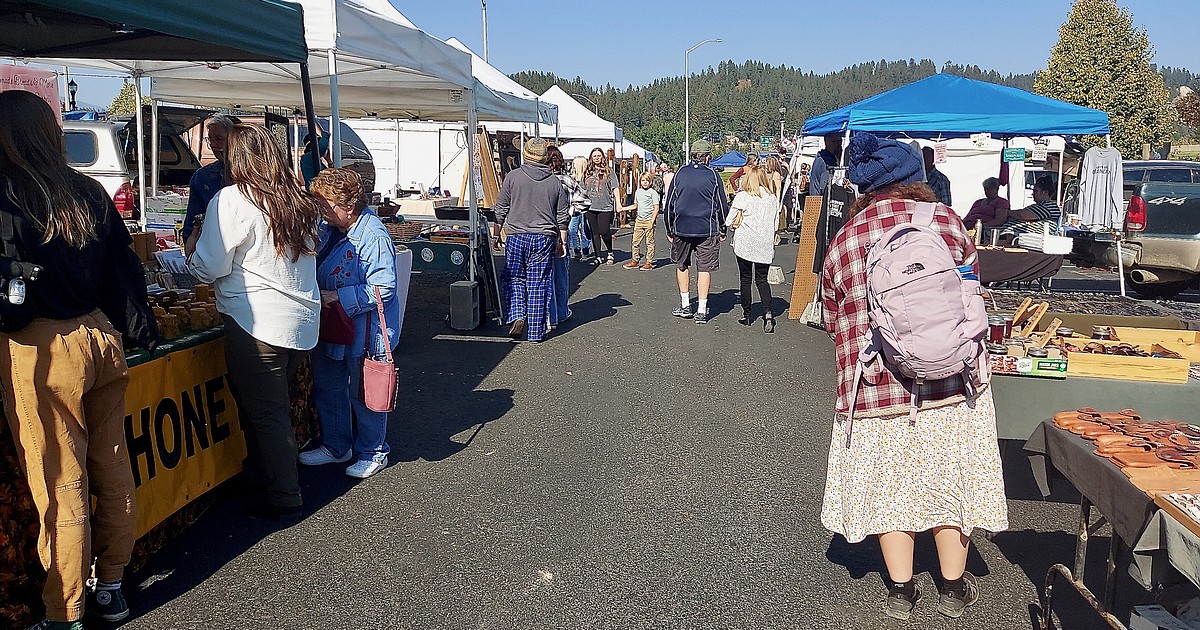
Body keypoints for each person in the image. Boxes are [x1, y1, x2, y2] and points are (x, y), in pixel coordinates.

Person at [820, 134, 1007, 621]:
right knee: (950, 483)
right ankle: (951, 588)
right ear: (916, 179)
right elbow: (971, 294)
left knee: (890, 490)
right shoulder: (947, 223)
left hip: (876, 393)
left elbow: (833, 318)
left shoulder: (845, 239)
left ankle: (900, 592)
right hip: (953, 383)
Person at [0, 90, 157, 630]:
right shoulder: (87, 190)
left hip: (44, 351)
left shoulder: (9, 194)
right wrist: (139, 330)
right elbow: (125, 274)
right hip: (100, 336)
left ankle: (65, 610)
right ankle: (110, 585)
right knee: (111, 465)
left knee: (61, 481)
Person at [186, 124, 321, 522]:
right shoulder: (296, 198)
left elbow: (209, 266)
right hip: (299, 324)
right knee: (268, 409)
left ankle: (283, 494)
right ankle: (264, 479)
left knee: (266, 414)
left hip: (256, 323)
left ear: (236, 159)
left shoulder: (232, 199)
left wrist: (190, 252)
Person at [298, 168, 399, 479]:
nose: (321, 210)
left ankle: (373, 450)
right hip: (333, 325)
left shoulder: (373, 235)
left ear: (348, 205)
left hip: (364, 332)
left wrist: (337, 296)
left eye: (326, 204)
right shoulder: (331, 228)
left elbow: (384, 287)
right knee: (327, 385)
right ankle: (336, 445)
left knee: (364, 393)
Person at [493, 138, 569, 342]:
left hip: (516, 236)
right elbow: (562, 216)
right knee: (538, 282)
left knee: (513, 277)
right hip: (544, 238)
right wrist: (562, 242)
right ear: (545, 158)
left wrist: (495, 234)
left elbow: (500, 208)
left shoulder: (513, 177)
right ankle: (535, 332)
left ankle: (517, 314)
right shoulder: (554, 181)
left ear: (525, 155)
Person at [662, 139, 729, 324]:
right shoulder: (713, 176)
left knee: (682, 264)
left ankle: (685, 305)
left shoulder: (680, 173)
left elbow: (670, 204)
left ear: (692, 154)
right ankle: (701, 309)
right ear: (708, 157)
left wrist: (669, 227)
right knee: (704, 267)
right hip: (706, 228)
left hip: (682, 227)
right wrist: (723, 227)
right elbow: (722, 205)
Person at [726, 165, 779, 332]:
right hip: (764, 244)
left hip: (745, 243)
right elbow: (776, 224)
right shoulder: (772, 199)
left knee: (746, 279)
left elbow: (729, 221)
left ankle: (747, 315)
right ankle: (768, 313)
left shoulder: (742, 196)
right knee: (762, 280)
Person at [183, 114, 240, 253]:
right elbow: (193, 220)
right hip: (213, 250)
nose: (213, 145)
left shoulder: (253, 174)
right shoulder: (202, 177)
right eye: (210, 140)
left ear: (234, 140)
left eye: (219, 139)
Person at [546, 145, 582, 324]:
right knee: (561, 274)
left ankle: (549, 313)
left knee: (545, 274)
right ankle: (560, 311)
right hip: (561, 229)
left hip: (543, 228)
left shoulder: (541, 180)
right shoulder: (566, 180)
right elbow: (584, 201)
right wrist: (570, 211)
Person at [582, 147, 619, 265]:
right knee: (595, 232)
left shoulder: (609, 171)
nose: (597, 158)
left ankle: (609, 252)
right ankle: (598, 256)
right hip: (590, 206)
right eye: (594, 156)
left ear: (602, 157)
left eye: (599, 156)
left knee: (605, 231)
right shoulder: (588, 171)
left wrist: (618, 203)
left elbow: (615, 187)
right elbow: (581, 188)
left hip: (605, 206)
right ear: (591, 158)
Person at [623, 172, 660, 270]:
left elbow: (656, 207)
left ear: (650, 182)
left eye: (647, 181)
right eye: (643, 180)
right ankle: (635, 259)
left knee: (649, 242)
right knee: (635, 241)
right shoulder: (638, 192)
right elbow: (635, 205)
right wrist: (623, 209)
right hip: (639, 220)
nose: (645, 183)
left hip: (649, 220)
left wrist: (652, 221)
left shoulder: (653, 192)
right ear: (640, 181)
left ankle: (649, 262)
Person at [566, 156, 592, 259]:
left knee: (585, 229)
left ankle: (585, 249)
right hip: (574, 207)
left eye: (574, 164)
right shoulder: (571, 178)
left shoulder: (588, 179)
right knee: (572, 229)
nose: (572, 166)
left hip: (585, 207)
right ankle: (576, 250)